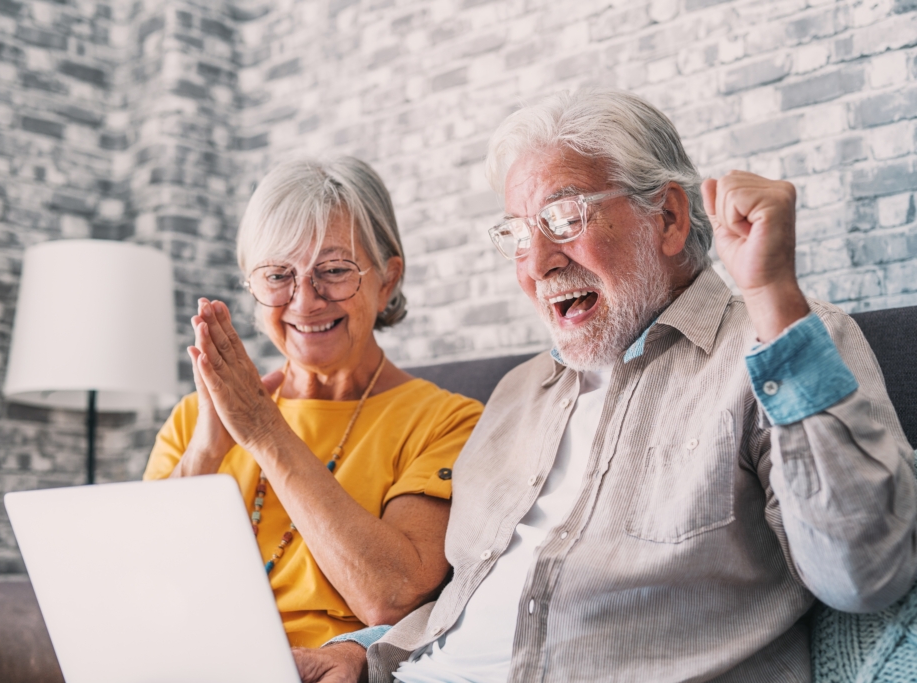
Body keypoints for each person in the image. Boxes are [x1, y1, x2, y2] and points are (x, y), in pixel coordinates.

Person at [293, 90, 917, 682]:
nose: (536, 264)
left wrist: (771, 295)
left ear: (668, 218)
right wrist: (364, 654)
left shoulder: (778, 343)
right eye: (516, 233)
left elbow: (864, 572)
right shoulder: (518, 394)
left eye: (563, 218)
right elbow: (474, 595)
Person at [143, 157, 484, 648]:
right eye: (278, 275)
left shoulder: (447, 422)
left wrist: (264, 432)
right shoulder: (196, 420)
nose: (304, 301)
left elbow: (390, 596)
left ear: (387, 281)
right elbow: (140, 586)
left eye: (334, 270)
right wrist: (206, 450)